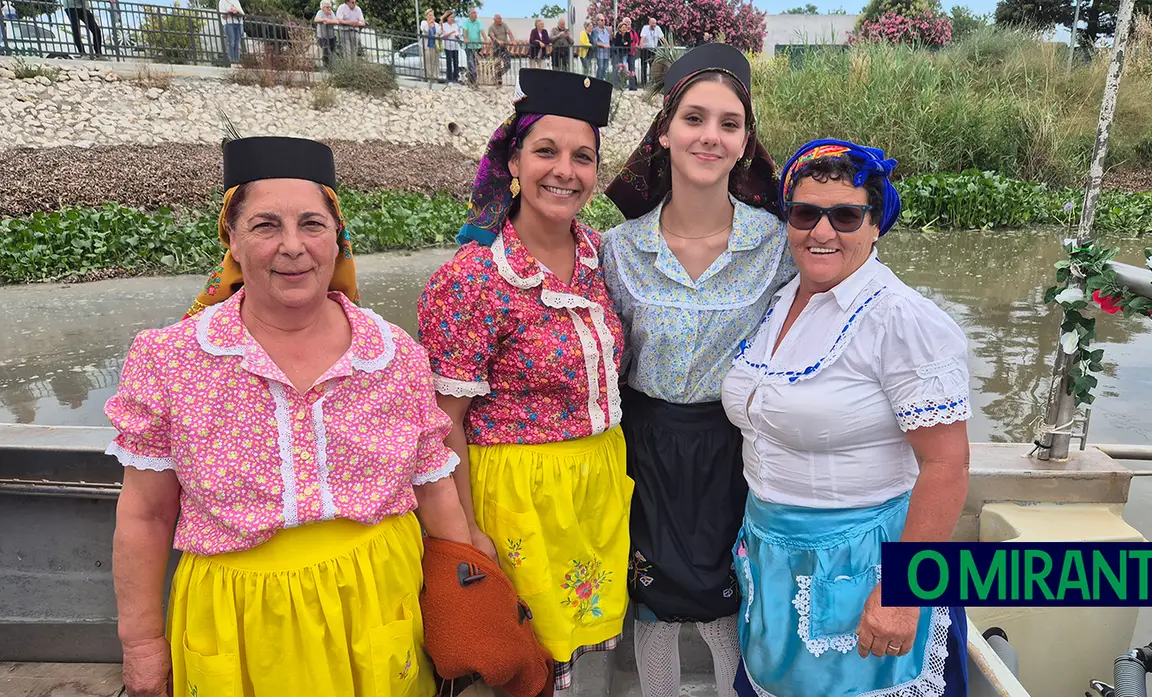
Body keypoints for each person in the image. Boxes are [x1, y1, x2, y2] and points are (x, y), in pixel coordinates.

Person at [110, 136, 554, 697]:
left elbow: (436, 489)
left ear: (337, 237)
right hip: (240, 622)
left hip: (380, 605)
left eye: (313, 225)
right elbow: (146, 517)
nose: (293, 247)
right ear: (232, 241)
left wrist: (472, 595)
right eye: (266, 226)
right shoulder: (170, 360)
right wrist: (143, 646)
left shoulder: (391, 354)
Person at [722, 139, 972, 697]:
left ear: (876, 223)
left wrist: (902, 595)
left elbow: (948, 464)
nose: (822, 231)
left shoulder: (901, 319)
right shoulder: (783, 299)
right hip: (773, 554)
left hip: (864, 565)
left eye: (846, 215)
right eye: (806, 213)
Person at [417, 69, 629, 697]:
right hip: (515, 493)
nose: (565, 171)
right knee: (520, 653)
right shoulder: (472, 280)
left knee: (572, 650)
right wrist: (464, 529)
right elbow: (442, 420)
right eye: (546, 151)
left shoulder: (599, 256)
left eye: (582, 157)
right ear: (513, 159)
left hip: (594, 486)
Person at [601, 43, 792, 697]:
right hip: (645, 449)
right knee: (652, 602)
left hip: (737, 448)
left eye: (728, 123)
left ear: (745, 142)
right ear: (665, 130)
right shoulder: (619, 250)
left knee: (730, 602)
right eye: (694, 118)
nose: (710, 135)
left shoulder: (777, 245)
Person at [460, 8, 484, 85]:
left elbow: (482, 31)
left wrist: (486, 39)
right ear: (470, 15)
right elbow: (465, 31)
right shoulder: (466, 22)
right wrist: (465, 38)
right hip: (469, 46)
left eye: (476, 13)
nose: (475, 14)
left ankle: (470, 78)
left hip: (477, 46)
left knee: (474, 64)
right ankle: (474, 82)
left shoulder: (479, 22)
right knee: (471, 63)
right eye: (474, 13)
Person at [638, 17, 665, 85]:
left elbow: (662, 38)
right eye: (653, 23)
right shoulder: (645, 28)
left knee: (653, 67)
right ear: (649, 23)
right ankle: (643, 83)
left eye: (655, 24)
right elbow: (643, 37)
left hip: (653, 50)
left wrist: (667, 45)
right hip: (645, 49)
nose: (654, 25)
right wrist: (641, 45)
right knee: (644, 67)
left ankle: (651, 82)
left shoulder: (657, 28)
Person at [312, 0, 336, 68]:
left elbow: (336, 20)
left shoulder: (331, 13)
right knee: (326, 50)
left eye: (330, 7)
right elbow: (316, 20)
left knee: (332, 50)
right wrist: (324, 20)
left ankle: (331, 66)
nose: (329, 9)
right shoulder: (320, 12)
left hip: (331, 36)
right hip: (322, 36)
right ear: (323, 8)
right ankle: (326, 66)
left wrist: (328, 21)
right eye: (327, 7)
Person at [440, 10, 460, 83]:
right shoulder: (444, 25)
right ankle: (449, 79)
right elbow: (443, 36)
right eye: (451, 17)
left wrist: (457, 36)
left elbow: (458, 35)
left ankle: (456, 78)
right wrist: (451, 32)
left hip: (455, 46)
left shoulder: (455, 25)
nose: (452, 19)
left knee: (456, 62)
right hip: (448, 46)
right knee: (449, 63)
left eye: (453, 17)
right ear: (447, 18)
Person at [420, 8, 440, 81]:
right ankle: (429, 78)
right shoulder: (424, 23)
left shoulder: (436, 25)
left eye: (432, 15)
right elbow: (423, 30)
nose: (431, 16)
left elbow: (439, 33)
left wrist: (441, 26)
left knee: (436, 62)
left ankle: (436, 77)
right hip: (427, 45)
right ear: (427, 16)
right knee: (428, 62)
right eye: (430, 15)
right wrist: (429, 24)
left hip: (435, 45)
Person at [590, 15, 610, 81]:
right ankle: (598, 82)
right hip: (599, 52)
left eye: (604, 20)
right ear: (597, 21)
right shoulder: (595, 30)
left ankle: (603, 82)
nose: (603, 21)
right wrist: (603, 45)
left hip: (607, 52)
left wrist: (612, 32)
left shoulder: (607, 29)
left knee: (605, 68)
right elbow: (594, 42)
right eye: (601, 20)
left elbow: (611, 39)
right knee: (600, 67)